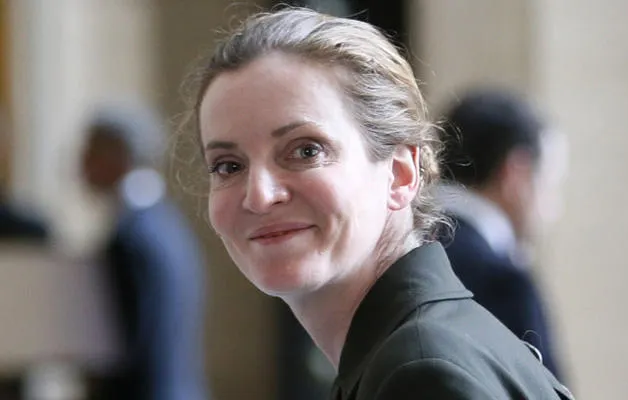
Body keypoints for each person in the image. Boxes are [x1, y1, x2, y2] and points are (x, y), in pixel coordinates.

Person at [185, 7, 573, 400]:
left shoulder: (420, 374)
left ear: (401, 174)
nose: (259, 196)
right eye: (228, 165)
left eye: (305, 151)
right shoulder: (421, 347)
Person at [436, 89, 570, 380]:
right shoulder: (502, 281)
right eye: (550, 184)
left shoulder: (387, 251)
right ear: (516, 173)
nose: (552, 210)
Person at [80, 103, 208, 400]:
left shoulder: (132, 236)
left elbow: (126, 347)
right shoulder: (166, 222)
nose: (81, 163)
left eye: (90, 151)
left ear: (118, 155)